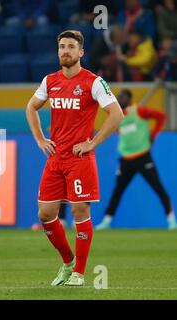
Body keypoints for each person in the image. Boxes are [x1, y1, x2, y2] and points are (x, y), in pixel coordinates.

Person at [25, 31, 124, 286]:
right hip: (56, 158)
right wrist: (39, 139)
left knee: (80, 211)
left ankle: (79, 273)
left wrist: (93, 142)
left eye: (71, 47)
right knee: (45, 214)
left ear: (81, 52)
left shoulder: (94, 82)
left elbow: (116, 114)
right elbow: (31, 107)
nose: (65, 51)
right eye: (61, 47)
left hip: (80, 159)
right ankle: (67, 262)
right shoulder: (50, 81)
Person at [95, 89, 176, 230]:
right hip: (126, 159)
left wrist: (153, 135)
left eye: (123, 97)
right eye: (119, 96)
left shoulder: (139, 111)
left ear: (130, 99)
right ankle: (107, 221)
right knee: (118, 191)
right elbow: (116, 130)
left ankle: (171, 220)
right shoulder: (115, 115)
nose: (120, 98)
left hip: (142, 156)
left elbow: (161, 116)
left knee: (158, 187)